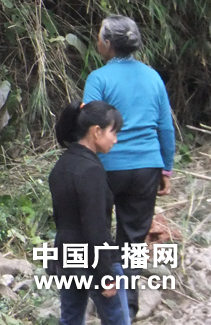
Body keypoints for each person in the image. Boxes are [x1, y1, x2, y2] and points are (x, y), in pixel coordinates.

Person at [82, 15, 175, 321]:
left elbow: (88, 124)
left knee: (97, 231)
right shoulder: (152, 78)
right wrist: (166, 169)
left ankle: (101, 298)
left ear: (107, 44)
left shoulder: (99, 78)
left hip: (107, 167)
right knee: (133, 239)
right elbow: (164, 127)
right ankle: (127, 307)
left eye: (99, 36)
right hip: (147, 166)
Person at [50, 100, 130, 325]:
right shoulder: (91, 170)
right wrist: (106, 274)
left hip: (66, 256)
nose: (115, 139)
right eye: (113, 132)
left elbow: (63, 219)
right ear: (96, 131)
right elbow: (95, 227)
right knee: (118, 320)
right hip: (93, 259)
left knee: (71, 319)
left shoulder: (61, 166)